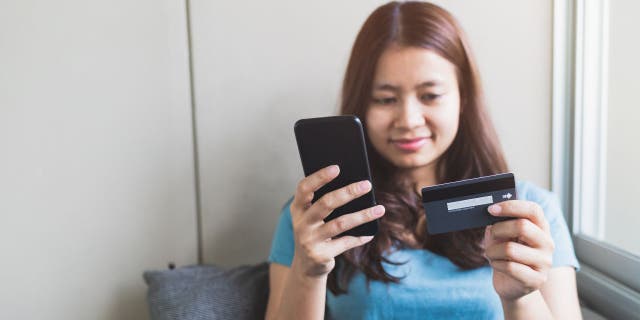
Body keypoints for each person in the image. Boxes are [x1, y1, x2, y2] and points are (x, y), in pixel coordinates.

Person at [265, 1, 581, 319]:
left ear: (463, 98)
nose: (409, 119)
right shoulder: (315, 218)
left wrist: (521, 298)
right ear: (362, 105)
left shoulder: (533, 212)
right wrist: (308, 273)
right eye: (386, 99)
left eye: (430, 96)